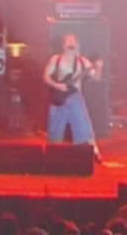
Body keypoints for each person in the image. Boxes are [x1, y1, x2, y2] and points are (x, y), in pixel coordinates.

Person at [43, 33, 104, 162]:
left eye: (74, 41)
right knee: (55, 135)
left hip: (74, 98)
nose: (71, 44)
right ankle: (54, 159)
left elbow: (96, 78)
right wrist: (57, 85)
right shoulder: (56, 59)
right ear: (63, 45)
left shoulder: (83, 61)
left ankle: (94, 149)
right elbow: (46, 77)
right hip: (58, 99)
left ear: (77, 45)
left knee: (83, 123)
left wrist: (99, 68)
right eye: (68, 41)